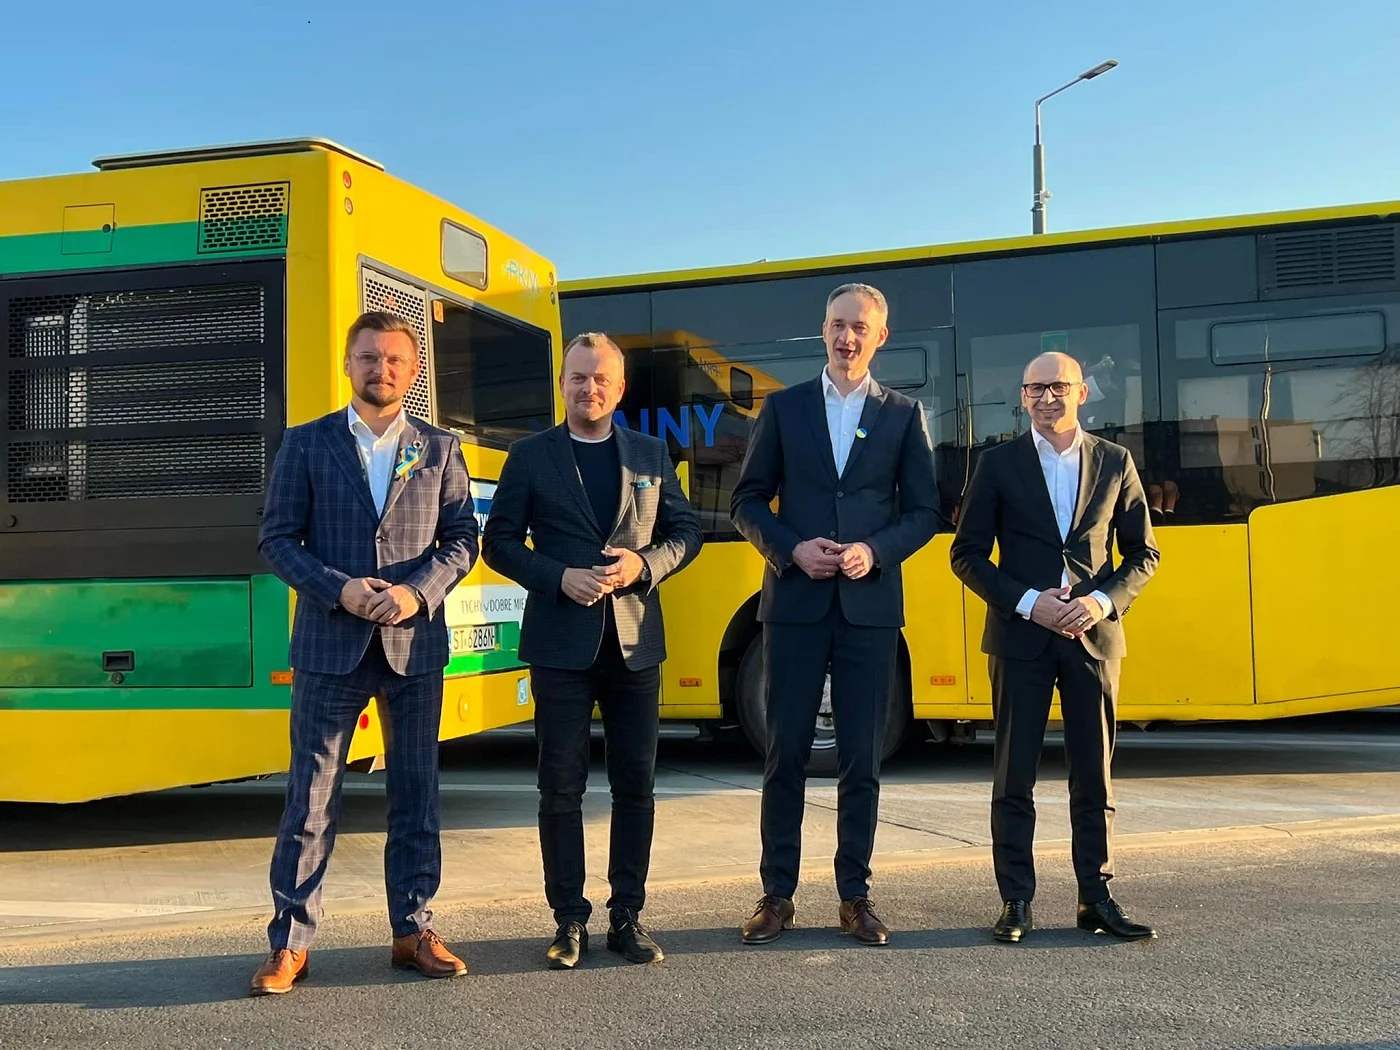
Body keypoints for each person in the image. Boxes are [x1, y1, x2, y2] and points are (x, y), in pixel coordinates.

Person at [249, 311, 478, 995]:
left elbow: (462, 540)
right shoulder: (306, 442)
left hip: (414, 644)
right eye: (369, 357)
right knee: (310, 799)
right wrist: (339, 589)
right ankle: (290, 943)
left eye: (395, 359)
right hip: (330, 643)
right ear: (348, 364)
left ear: (413, 371)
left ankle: (413, 930)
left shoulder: (440, 448)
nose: (382, 369)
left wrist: (415, 593)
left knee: (416, 795)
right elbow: (277, 540)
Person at [482, 332, 702, 969]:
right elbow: (499, 544)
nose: (589, 388)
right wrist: (559, 577)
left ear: (620, 388)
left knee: (637, 787)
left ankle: (627, 916)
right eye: (578, 377)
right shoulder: (530, 456)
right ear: (562, 385)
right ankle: (569, 920)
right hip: (560, 646)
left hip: (635, 644)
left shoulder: (650, 453)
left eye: (601, 378)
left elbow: (686, 532)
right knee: (561, 787)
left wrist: (643, 565)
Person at [729, 283, 940, 947]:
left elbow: (925, 512)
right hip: (794, 604)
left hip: (868, 609)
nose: (848, 338)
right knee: (785, 752)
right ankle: (776, 895)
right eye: (838, 325)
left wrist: (873, 551)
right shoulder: (783, 408)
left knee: (862, 758)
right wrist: (791, 548)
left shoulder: (904, 414)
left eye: (861, 328)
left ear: (881, 336)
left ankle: (855, 896)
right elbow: (747, 502)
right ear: (823, 330)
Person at [949, 351, 1161, 944]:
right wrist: (1028, 602)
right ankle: (1015, 900)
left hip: (1093, 638)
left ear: (1081, 392)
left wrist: (1099, 603)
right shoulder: (996, 464)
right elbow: (965, 555)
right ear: (1023, 398)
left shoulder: (1115, 461)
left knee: (1094, 775)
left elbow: (1144, 554)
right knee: (1013, 776)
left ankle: (1097, 897)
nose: (1047, 398)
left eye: (1058, 387)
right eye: (1035, 389)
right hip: (1021, 637)